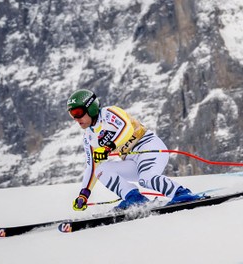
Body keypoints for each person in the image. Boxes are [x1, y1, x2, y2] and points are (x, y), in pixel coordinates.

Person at [67, 88, 201, 212]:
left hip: (148, 147)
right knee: (101, 169)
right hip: (131, 159)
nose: (76, 119)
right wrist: (84, 194)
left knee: (146, 178)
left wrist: (108, 147)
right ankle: (134, 199)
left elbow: (126, 128)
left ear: (91, 108)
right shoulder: (89, 137)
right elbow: (92, 166)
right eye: (72, 115)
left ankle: (181, 193)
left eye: (78, 113)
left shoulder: (109, 113)